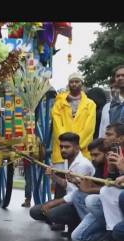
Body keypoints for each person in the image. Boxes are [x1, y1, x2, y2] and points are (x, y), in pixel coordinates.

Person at [30, 132, 95, 237]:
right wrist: (53, 177)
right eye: (61, 147)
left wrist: (54, 203)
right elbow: (69, 186)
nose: (63, 150)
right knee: (35, 211)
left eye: (67, 147)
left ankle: (76, 225)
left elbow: (77, 193)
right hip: (68, 201)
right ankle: (69, 224)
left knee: (52, 213)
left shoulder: (84, 164)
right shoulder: (67, 160)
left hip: (79, 203)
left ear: (77, 147)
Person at [51, 73, 96, 201]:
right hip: (62, 150)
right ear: (68, 84)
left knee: (80, 182)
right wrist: (66, 144)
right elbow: (57, 124)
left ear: (82, 84)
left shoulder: (90, 104)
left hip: (82, 150)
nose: (74, 84)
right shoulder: (59, 103)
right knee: (61, 182)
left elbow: (89, 128)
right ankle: (56, 214)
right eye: (72, 82)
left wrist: (77, 147)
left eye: (77, 81)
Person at [70, 138, 108, 241]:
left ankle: (111, 234)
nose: (93, 158)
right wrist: (77, 182)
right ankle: (104, 234)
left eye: (96, 155)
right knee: (76, 238)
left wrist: (87, 189)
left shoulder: (111, 163)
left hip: (108, 204)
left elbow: (110, 190)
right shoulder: (97, 165)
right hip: (99, 204)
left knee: (88, 199)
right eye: (92, 155)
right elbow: (95, 186)